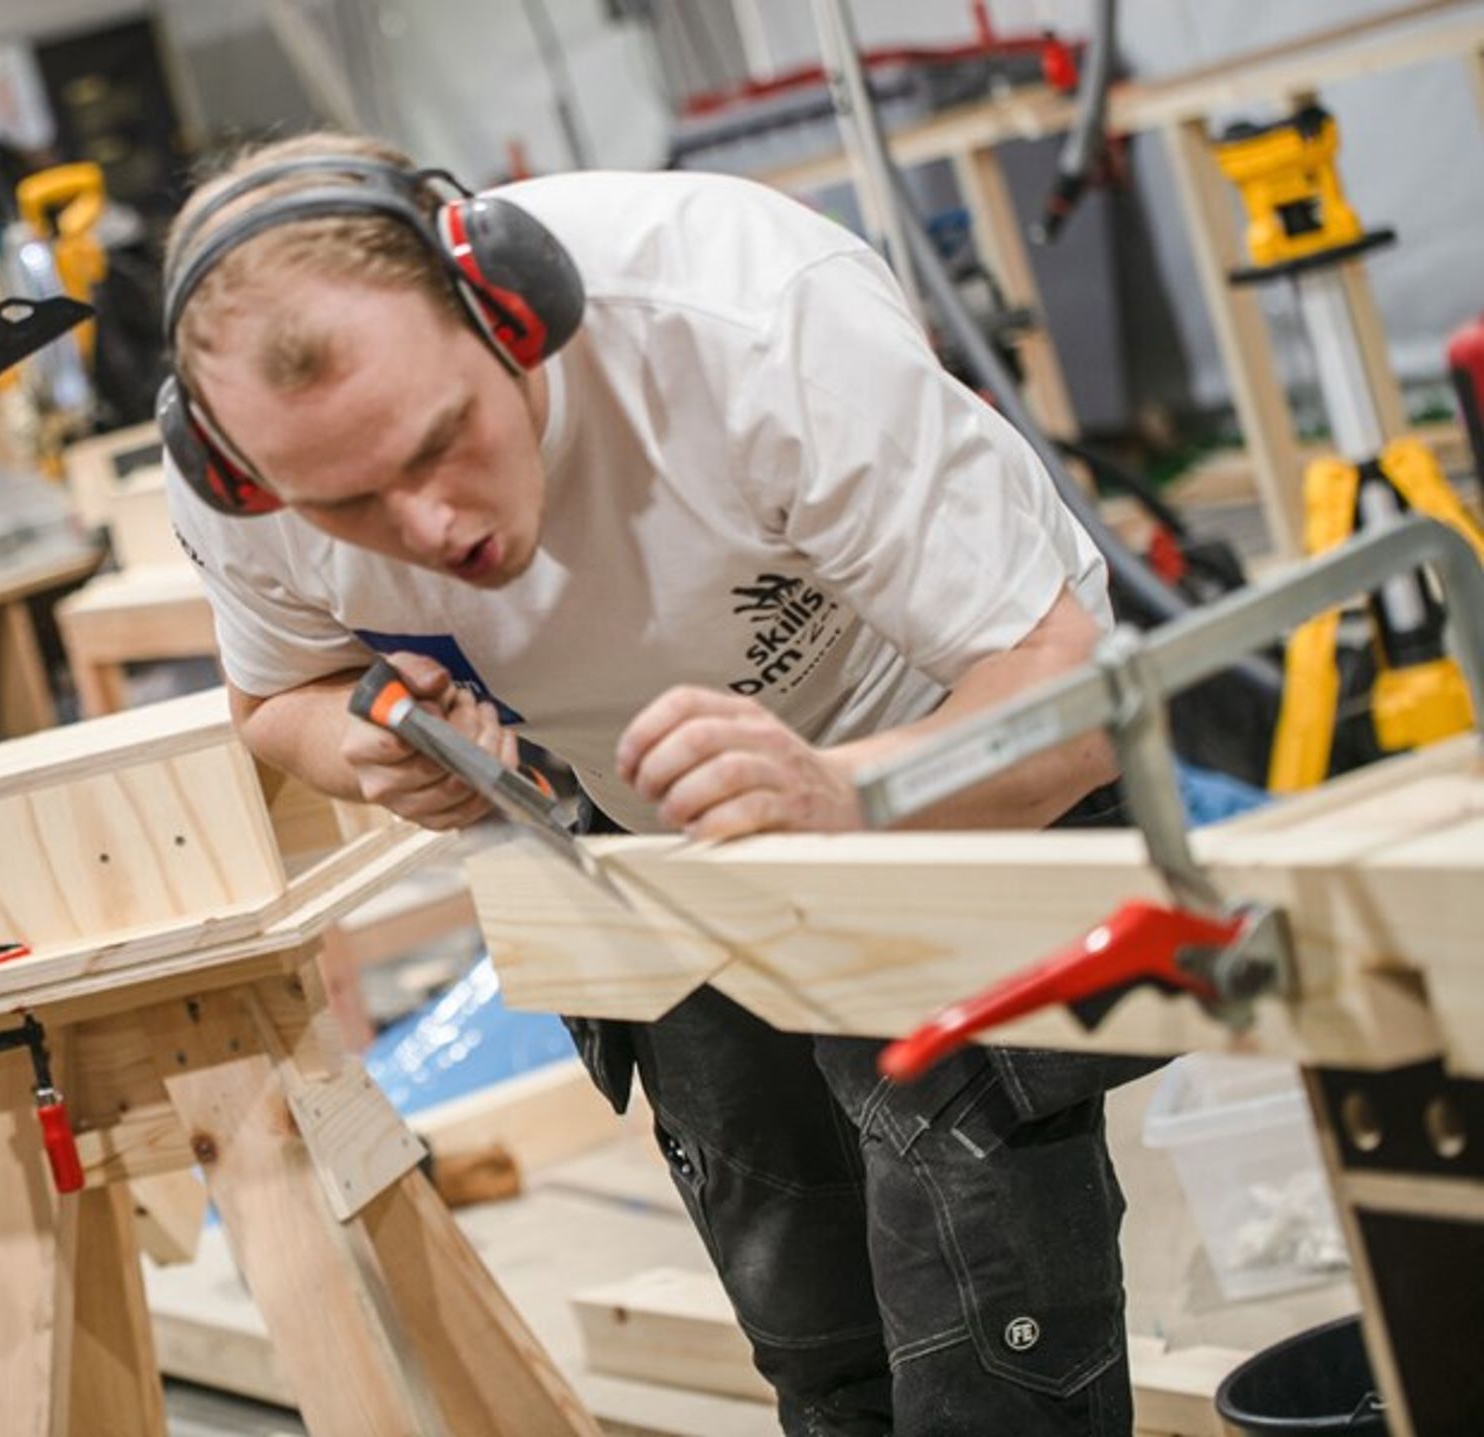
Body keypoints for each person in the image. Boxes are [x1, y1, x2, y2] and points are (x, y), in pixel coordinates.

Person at [160, 133, 1152, 1435]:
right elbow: (273, 700)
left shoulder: (752, 321)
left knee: (988, 1356)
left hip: (942, 771)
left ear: (512, 312)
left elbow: (1078, 710)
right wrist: (364, 749)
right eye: (348, 505)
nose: (428, 527)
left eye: (442, 442)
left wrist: (847, 797)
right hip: (659, 842)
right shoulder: (252, 483)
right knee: (818, 1346)